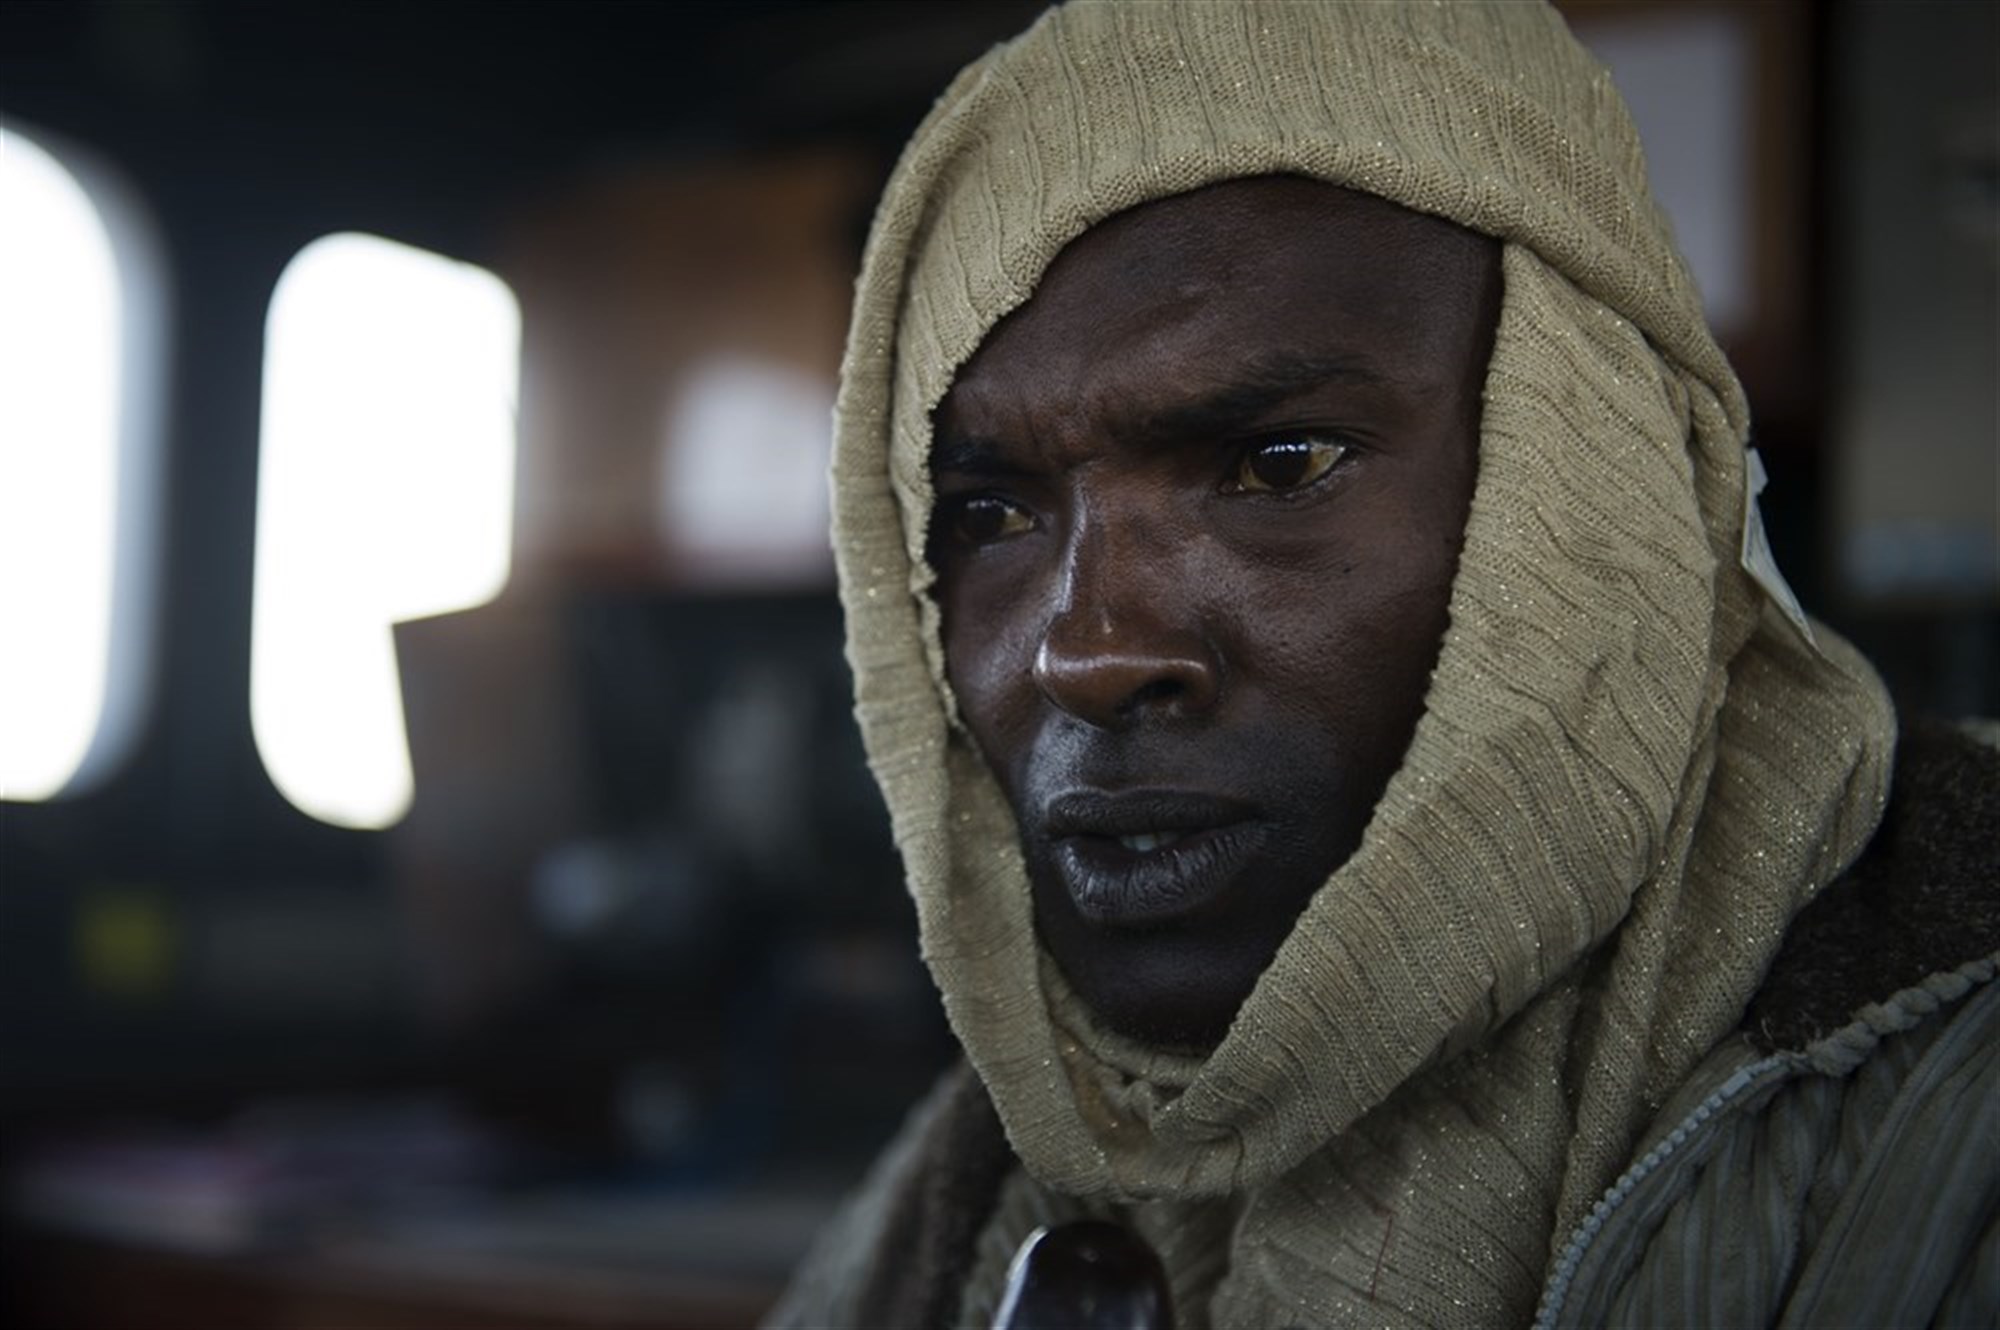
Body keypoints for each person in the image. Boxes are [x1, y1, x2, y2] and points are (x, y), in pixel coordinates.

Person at [770, 3, 2000, 1326]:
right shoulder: (976, 1182)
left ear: (1597, 478)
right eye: (988, 514)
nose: (1091, 652)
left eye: (1279, 465)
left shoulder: (1949, 1090)